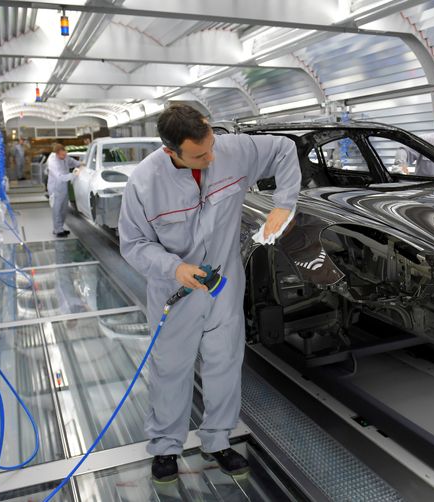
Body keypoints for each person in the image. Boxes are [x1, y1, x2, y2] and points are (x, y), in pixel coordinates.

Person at [118, 104, 301, 484]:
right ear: (171, 151)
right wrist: (174, 268)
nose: (211, 158)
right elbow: (133, 244)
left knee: (224, 364)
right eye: (200, 155)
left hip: (224, 286)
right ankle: (166, 446)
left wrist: (285, 204)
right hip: (176, 291)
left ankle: (217, 441)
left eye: (211, 146)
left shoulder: (231, 150)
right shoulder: (143, 183)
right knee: (171, 370)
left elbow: (284, 148)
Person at [47, 143, 80, 238]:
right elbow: (59, 177)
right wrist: (73, 175)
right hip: (55, 188)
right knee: (56, 210)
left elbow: (72, 162)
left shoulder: (64, 156)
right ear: (56, 154)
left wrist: (81, 164)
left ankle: (60, 227)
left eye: (65, 154)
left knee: (64, 209)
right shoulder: (52, 161)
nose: (64, 157)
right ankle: (57, 230)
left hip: (63, 187)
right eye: (62, 155)